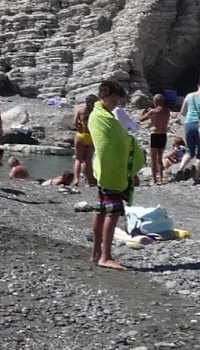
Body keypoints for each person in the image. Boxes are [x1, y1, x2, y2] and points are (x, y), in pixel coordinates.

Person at [88, 80, 145, 269]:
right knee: (112, 213)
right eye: (113, 100)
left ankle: (96, 253)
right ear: (102, 96)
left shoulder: (100, 114)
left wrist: (124, 140)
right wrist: (129, 143)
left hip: (104, 170)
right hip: (111, 172)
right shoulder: (101, 117)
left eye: (118, 101)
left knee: (101, 210)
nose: (116, 104)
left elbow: (114, 140)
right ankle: (106, 256)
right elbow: (112, 142)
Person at [144, 93, 172, 185]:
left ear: (155, 101)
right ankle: (160, 178)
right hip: (163, 134)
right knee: (160, 158)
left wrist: (143, 112)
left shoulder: (153, 111)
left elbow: (141, 119)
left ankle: (154, 180)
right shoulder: (167, 111)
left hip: (155, 134)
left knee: (153, 158)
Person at [72, 94, 98, 188]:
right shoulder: (96, 112)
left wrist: (79, 127)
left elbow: (74, 122)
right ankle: (87, 181)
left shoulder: (80, 110)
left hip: (81, 136)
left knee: (78, 159)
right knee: (88, 160)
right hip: (91, 137)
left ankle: (76, 179)